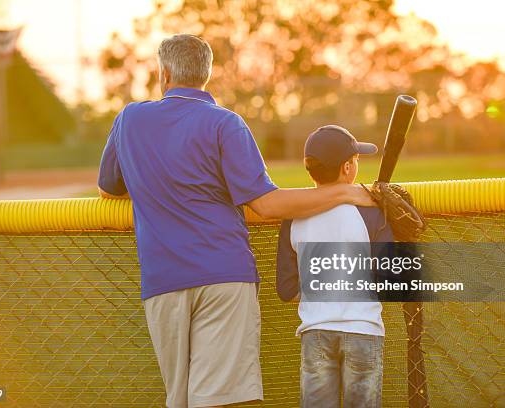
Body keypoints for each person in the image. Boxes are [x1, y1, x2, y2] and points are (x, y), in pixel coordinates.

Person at [97, 34, 374, 408]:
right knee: (224, 401)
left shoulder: (129, 119)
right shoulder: (225, 123)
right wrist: (345, 192)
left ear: (163, 75)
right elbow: (268, 205)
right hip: (223, 277)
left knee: (179, 399)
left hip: (162, 282)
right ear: (206, 76)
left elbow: (109, 190)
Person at [276, 125, 393, 408]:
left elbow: (287, 290)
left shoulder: (292, 217)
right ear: (346, 168)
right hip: (363, 330)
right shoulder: (371, 211)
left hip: (316, 331)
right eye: (355, 159)